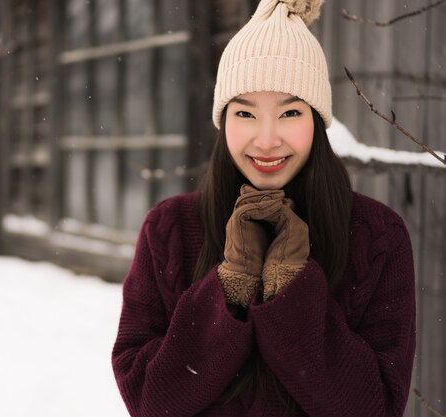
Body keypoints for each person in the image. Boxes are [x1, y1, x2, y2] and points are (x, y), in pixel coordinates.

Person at [111, 0, 416, 416]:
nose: (267, 139)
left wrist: (292, 288)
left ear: (317, 120)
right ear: (224, 121)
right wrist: (230, 285)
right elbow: (149, 400)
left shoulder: (376, 234)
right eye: (245, 113)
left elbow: (376, 407)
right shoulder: (169, 228)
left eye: (290, 111)